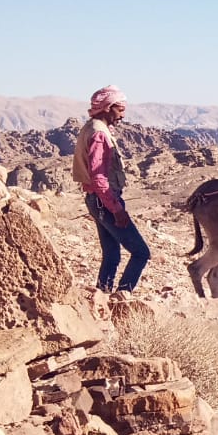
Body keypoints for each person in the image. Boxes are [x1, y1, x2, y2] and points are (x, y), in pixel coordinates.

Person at [71, 86, 151, 297]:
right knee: (141, 253)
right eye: (120, 109)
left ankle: (102, 298)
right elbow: (99, 178)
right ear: (108, 108)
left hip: (96, 200)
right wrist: (116, 209)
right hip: (105, 201)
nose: (123, 115)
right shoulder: (99, 134)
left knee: (112, 255)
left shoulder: (91, 127)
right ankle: (121, 297)